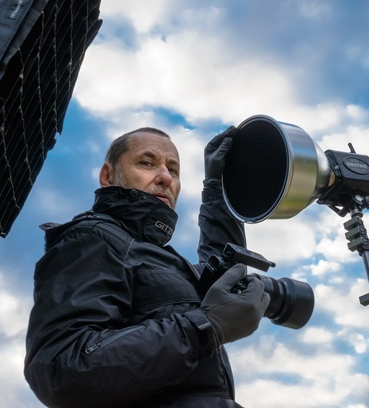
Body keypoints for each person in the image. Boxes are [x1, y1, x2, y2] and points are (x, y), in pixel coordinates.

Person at [24, 126, 270, 407]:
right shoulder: (92, 238)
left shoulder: (159, 259)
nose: (165, 177)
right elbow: (61, 368)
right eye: (146, 163)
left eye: (173, 170)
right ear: (107, 176)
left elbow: (223, 277)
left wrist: (217, 189)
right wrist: (204, 327)